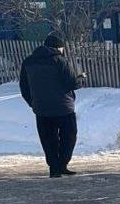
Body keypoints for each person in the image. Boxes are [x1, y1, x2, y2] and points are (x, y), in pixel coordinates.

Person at [19, 34, 86, 178]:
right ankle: (62, 164)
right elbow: (71, 83)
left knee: (48, 140)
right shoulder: (60, 61)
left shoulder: (28, 62)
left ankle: (54, 168)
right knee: (69, 137)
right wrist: (80, 79)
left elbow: (24, 87)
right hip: (63, 108)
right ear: (58, 47)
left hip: (42, 110)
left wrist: (33, 103)